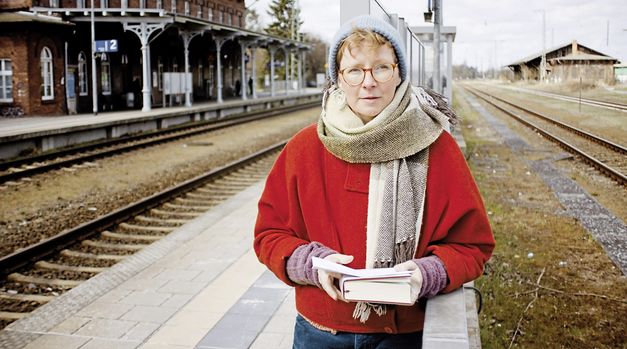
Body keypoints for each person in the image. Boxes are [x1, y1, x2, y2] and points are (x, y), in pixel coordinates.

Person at [254, 15, 494, 349]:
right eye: (354, 70)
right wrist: (311, 264)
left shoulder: (437, 148)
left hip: (405, 335)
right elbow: (269, 235)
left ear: (398, 74)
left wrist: (427, 274)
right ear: (338, 79)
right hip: (319, 332)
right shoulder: (303, 149)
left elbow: (473, 246)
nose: (368, 82)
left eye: (381, 67)